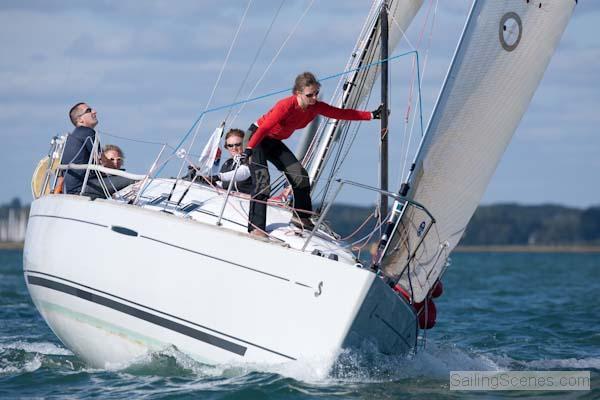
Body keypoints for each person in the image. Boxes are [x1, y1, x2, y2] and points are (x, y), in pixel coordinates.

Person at [243, 71, 385, 237]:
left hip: (272, 141)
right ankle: (255, 227)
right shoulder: (286, 105)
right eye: (310, 95)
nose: (314, 98)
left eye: (316, 93)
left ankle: (301, 217)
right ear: (298, 93)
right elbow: (265, 128)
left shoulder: (315, 107)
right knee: (262, 180)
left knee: (300, 176)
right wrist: (249, 148)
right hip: (256, 137)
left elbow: (341, 113)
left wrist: (371, 115)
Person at [58, 102, 99, 194]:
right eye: (89, 111)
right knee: (134, 182)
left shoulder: (72, 136)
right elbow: (100, 162)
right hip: (83, 188)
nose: (94, 112)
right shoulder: (88, 133)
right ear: (80, 119)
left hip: (69, 190)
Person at [218, 129, 252, 194]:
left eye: (238, 144)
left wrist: (219, 176)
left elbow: (243, 173)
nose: (234, 148)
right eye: (230, 145)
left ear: (245, 144)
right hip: (228, 200)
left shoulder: (250, 160)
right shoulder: (227, 164)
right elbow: (221, 185)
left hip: (247, 201)